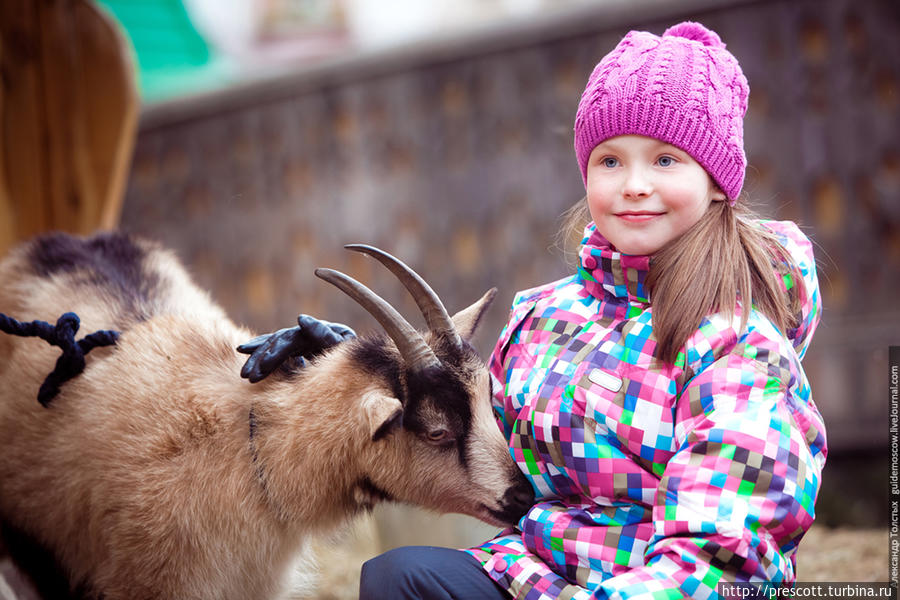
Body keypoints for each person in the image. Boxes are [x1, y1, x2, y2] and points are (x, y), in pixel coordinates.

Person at [358, 20, 826, 600]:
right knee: (397, 577)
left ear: (716, 183)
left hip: (671, 586)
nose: (632, 184)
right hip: (545, 572)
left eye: (664, 161)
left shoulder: (736, 345)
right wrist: (352, 370)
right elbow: (461, 427)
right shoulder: (545, 318)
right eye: (610, 161)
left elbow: (722, 554)